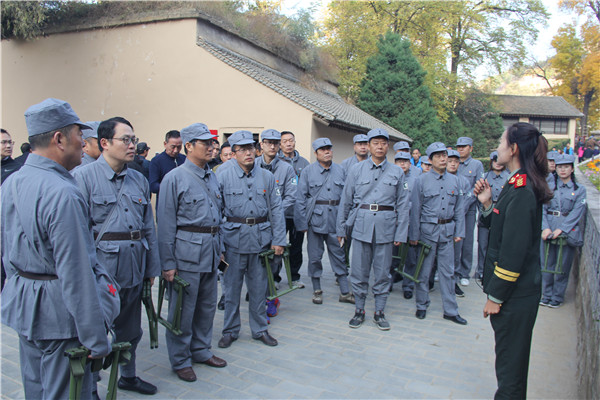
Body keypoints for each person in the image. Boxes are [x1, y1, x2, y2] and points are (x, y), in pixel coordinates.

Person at [1, 98, 113, 399]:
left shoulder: (12, 182)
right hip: (60, 317)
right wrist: (96, 340)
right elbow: (77, 275)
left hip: (26, 308)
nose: (84, 142)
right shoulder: (63, 192)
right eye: (79, 134)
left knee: (35, 389)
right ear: (59, 139)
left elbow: (6, 254)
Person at [73, 117, 160, 396]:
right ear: (105, 143)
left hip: (134, 266)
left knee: (131, 331)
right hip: (102, 270)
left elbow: (148, 226)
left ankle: (129, 376)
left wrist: (152, 267)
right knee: (96, 333)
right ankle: (93, 387)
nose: (132, 145)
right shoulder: (82, 178)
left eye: (134, 139)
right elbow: (78, 232)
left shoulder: (137, 178)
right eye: (126, 139)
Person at [475, 122, 553, 400]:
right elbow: (502, 228)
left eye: (501, 141)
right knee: (508, 363)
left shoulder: (522, 190)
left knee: (511, 372)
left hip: (515, 295)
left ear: (514, 148)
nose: (497, 147)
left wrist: (495, 297)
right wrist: (486, 204)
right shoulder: (516, 183)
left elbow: (513, 253)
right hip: (516, 294)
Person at [157, 123, 227, 383]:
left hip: (210, 253)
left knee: (207, 307)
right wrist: (167, 263)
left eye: (212, 142)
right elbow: (164, 224)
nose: (212, 147)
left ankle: (200, 349)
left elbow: (218, 217)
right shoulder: (175, 178)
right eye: (205, 143)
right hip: (186, 255)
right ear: (188, 146)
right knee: (183, 310)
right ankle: (180, 359)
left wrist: (220, 251)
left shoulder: (212, 175)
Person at [216, 130, 286, 349]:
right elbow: (216, 212)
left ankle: (260, 329)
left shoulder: (266, 176)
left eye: (251, 148)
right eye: (242, 149)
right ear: (233, 152)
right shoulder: (222, 175)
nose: (248, 153)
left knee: (259, 289)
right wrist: (218, 246)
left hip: (260, 241)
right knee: (231, 290)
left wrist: (279, 239)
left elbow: (276, 208)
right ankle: (230, 330)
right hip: (232, 242)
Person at [337, 128, 409, 330]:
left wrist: (401, 233)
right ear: (368, 146)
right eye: (375, 143)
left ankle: (379, 311)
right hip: (361, 226)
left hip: (386, 229)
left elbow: (403, 204)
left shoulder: (396, 171)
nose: (379, 146)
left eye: (383, 143)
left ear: (388, 146)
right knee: (359, 272)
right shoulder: (356, 170)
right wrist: (341, 229)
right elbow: (346, 201)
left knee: (383, 273)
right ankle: (359, 310)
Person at [409, 142, 468, 325]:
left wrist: (459, 231)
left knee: (448, 272)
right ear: (430, 159)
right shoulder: (421, 180)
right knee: (424, 272)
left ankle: (450, 310)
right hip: (427, 232)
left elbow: (459, 209)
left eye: (445, 155)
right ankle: (421, 304)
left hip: (448, 232)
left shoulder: (455, 181)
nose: (443, 159)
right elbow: (415, 210)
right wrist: (414, 235)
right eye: (438, 156)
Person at [295, 138, 355, 306]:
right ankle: (317, 289)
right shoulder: (307, 171)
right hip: (315, 220)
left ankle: (344, 291)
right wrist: (302, 225)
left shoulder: (341, 170)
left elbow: (347, 198)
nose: (327, 151)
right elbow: (300, 199)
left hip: (336, 220)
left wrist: (345, 223)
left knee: (339, 256)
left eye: (329, 148)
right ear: (316, 153)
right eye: (322, 149)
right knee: (314, 257)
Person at [255, 129, 298, 315]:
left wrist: (274, 211)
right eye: (268, 142)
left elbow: (291, 196)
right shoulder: (252, 165)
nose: (272, 146)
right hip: (255, 224)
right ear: (261, 145)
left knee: (273, 260)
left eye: (275, 143)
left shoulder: (287, 168)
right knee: (255, 261)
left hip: (276, 223)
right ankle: (258, 294)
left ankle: (271, 297)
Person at [540, 153, 586, 308]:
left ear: (572, 169)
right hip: (549, 227)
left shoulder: (579, 190)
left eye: (566, 167)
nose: (563, 170)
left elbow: (576, 213)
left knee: (562, 266)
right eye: (560, 167)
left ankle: (557, 296)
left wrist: (561, 229)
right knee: (546, 263)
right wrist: (545, 227)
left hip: (566, 230)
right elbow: (542, 209)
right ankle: (545, 294)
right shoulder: (549, 187)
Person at [277, 131, 310, 287]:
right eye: (285, 141)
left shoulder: (304, 163)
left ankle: (294, 277)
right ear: (280, 144)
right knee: (277, 246)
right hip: (280, 214)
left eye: (291, 140)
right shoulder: (275, 162)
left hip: (297, 214)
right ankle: (275, 278)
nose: (289, 143)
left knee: (296, 248)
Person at [475, 151, 509, 281]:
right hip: (485, 212)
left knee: (499, 244)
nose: (497, 164)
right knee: (483, 244)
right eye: (495, 161)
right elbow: (478, 197)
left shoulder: (508, 177)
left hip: (502, 213)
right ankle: (481, 271)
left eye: (499, 161)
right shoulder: (485, 177)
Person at [455, 137, 484, 286]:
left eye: (464, 147)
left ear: (471, 148)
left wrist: (465, 203)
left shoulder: (476, 165)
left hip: (469, 209)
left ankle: (464, 272)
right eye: (459, 146)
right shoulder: (453, 162)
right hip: (453, 209)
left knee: (466, 241)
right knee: (454, 240)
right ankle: (452, 270)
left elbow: (478, 187)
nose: (461, 149)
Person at [391, 151, 419, 298]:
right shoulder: (389, 175)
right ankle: (388, 281)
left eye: (405, 161)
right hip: (393, 221)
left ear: (410, 163)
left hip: (411, 220)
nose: (402, 164)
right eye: (399, 161)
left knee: (410, 256)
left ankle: (408, 286)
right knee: (390, 255)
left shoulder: (417, 178)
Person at [446, 149, 471, 298]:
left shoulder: (464, 181)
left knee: (455, 253)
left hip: (457, 220)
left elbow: (465, 203)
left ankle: (453, 281)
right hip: (441, 222)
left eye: (456, 162)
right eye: (450, 161)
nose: (453, 164)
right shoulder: (440, 178)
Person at [149, 130, 185, 200]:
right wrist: (172, 187)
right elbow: (153, 186)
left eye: (179, 147)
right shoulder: (156, 161)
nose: (176, 150)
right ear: (165, 144)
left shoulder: (184, 159)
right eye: (173, 147)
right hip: (165, 201)